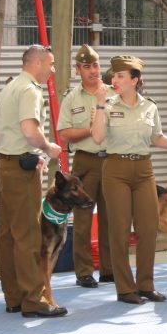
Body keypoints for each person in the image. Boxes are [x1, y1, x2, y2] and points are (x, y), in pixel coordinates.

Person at [90, 55, 167, 305]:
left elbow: (156, 137)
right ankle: (125, 289)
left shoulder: (150, 106)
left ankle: (145, 285)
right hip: (116, 168)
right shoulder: (107, 104)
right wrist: (102, 105)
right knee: (120, 229)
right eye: (113, 76)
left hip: (144, 168)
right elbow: (97, 138)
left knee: (148, 228)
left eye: (120, 76)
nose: (114, 80)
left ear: (135, 80)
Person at [0, 45, 66, 318]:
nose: (53, 69)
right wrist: (48, 148)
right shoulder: (29, 89)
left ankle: (13, 296)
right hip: (21, 168)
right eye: (51, 63)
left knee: (9, 233)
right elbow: (29, 129)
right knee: (28, 235)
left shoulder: (10, 87)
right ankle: (34, 299)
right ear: (36, 63)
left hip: (5, 163)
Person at [56, 44, 113, 288]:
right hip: (86, 161)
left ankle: (110, 270)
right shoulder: (72, 97)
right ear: (78, 69)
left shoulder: (114, 93)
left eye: (96, 65)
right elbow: (64, 133)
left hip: (112, 160)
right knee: (82, 220)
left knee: (112, 218)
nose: (93, 70)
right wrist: (91, 129)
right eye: (87, 66)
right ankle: (84, 271)